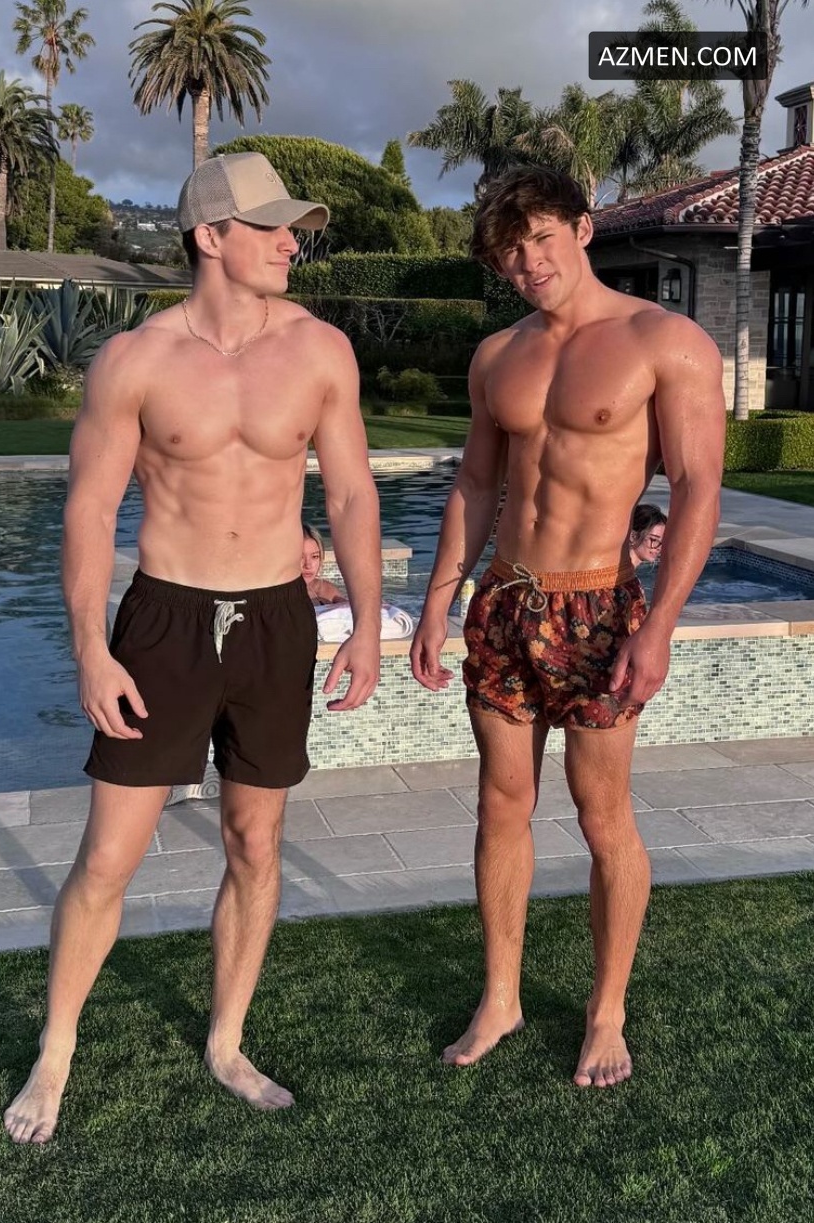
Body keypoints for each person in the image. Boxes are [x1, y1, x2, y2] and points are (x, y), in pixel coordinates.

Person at [3, 152, 382, 1143]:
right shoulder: (136, 360)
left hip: (275, 620)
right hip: (164, 621)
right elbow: (89, 514)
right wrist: (90, 648)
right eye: (269, 226)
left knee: (255, 841)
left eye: (292, 227)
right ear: (210, 236)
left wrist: (367, 623)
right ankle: (55, 1052)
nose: (290, 242)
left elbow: (350, 494)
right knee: (108, 856)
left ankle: (226, 1040)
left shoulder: (320, 351)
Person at [410, 165, 724, 1089]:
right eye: (510, 252)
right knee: (501, 803)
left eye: (541, 239)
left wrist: (658, 625)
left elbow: (697, 487)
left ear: (582, 229)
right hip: (505, 601)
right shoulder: (496, 356)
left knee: (601, 814)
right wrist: (437, 598)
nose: (528, 263)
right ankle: (500, 996)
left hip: (597, 607)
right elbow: (476, 482)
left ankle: (605, 1011)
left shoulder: (663, 341)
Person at [302, 522, 347, 605]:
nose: (308, 565)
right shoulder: (277, 595)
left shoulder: (328, 592)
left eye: (315, 556)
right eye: (301, 557)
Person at [629, 504, 667, 570]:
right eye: (654, 540)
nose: (659, 547)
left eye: (663, 541)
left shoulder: (626, 571)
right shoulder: (620, 573)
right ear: (633, 536)